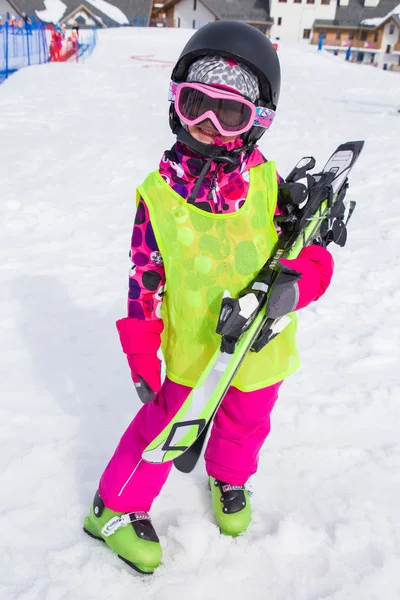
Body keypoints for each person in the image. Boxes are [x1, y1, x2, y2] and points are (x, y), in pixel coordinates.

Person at [83, 21, 334, 574]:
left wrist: (296, 287)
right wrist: (141, 354)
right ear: (176, 103)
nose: (209, 127)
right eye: (197, 104)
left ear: (257, 123)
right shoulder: (159, 195)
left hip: (260, 344)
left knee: (247, 419)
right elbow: (144, 280)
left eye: (231, 113)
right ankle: (114, 508)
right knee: (166, 428)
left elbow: (310, 257)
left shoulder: (271, 185)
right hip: (195, 350)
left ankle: (230, 476)